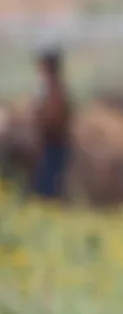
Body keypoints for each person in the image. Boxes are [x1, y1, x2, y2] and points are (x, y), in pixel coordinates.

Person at [30, 46, 72, 200]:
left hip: (54, 143)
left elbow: (54, 117)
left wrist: (39, 118)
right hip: (50, 143)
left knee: (50, 182)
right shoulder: (50, 88)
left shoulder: (55, 90)